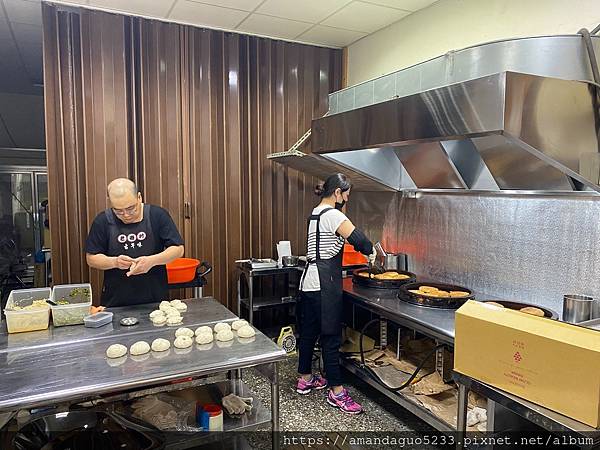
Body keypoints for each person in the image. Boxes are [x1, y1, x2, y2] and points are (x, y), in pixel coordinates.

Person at [296, 173, 376, 415]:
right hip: (324, 283)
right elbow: (358, 238)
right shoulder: (332, 214)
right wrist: (371, 251)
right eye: (347, 194)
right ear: (338, 193)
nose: (347, 199)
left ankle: (305, 378)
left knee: (309, 333)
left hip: (308, 281)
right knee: (330, 337)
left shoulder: (316, 212)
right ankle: (337, 392)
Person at [85, 178, 184, 307]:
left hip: (155, 298)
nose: (126, 215)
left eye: (131, 208)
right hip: (116, 300)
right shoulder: (103, 221)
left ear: (139, 197)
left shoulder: (157, 215)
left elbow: (178, 249)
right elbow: (91, 258)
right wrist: (114, 262)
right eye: (118, 211)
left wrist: (151, 261)